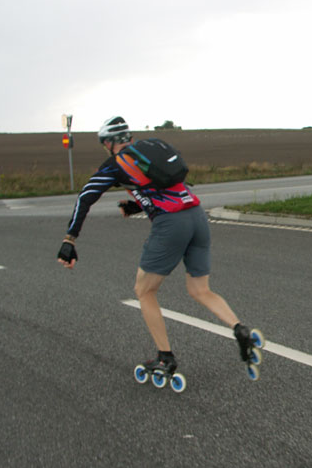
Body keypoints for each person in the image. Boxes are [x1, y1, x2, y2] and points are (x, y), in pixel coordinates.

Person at [57, 115, 258, 376]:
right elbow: (164, 187)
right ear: (128, 137)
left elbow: (85, 198)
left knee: (144, 290)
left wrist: (69, 240)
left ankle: (165, 358)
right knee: (200, 289)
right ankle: (240, 329)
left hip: (171, 224)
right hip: (197, 217)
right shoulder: (150, 154)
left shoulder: (115, 164)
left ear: (108, 143)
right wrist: (136, 205)